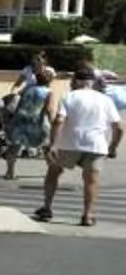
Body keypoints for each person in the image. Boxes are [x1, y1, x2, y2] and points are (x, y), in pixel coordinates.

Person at [35, 72, 122, 226]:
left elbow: (59, 120)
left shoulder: (70, 96)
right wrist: (113, 147)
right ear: (92, 82)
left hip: (69, 143)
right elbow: (119, 127)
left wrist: (53, 143)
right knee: (91, 181)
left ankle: (47, 207)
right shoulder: (105, 100)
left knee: (54, 171)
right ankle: (88, 215)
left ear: (76, 82)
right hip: (96, 145)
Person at [0, 65, 55, 181]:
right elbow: (49, 110)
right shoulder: (49, 93)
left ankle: (10, 172)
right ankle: (51, 173)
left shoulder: (27, 90)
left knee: (15, 146)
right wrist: (53, 123)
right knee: (46, 147)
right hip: (38, 122)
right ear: (50, 80)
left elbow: (19, 104)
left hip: (21, 120)